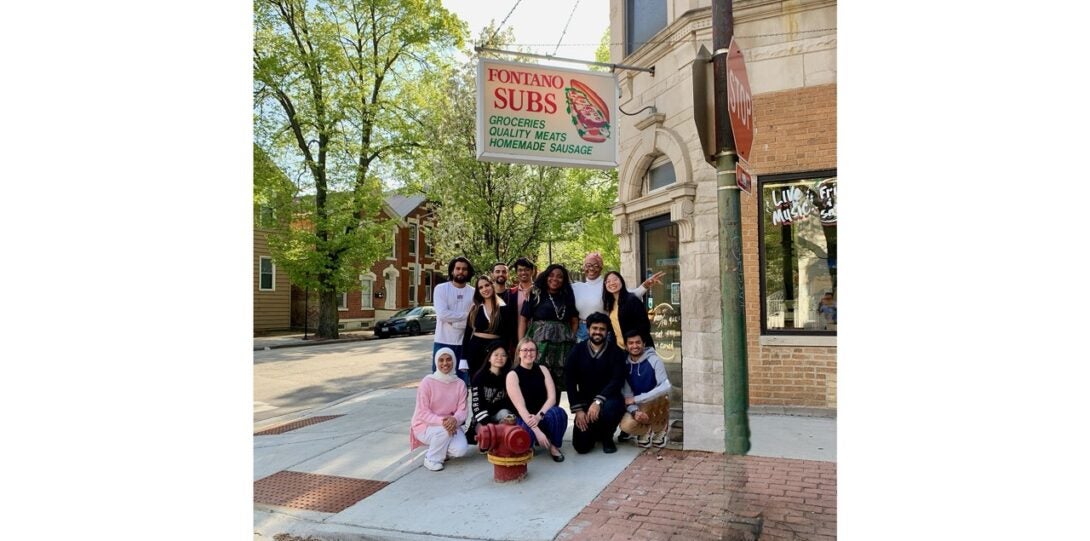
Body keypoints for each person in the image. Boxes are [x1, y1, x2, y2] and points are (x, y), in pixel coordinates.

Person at [564, 313, 627, 454]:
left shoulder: (615, 352)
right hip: (585, 401)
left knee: (611, 407)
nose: (598, 332)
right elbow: (570, 381)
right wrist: (579, 411)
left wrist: (598, 401)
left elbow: (617, 379)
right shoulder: (577, 350)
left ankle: (607, 437)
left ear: (607, 332)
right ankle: (595, 432)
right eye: (595, 328)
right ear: (588, 330)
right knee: (581, 447)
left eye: (602, 329)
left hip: (609, 399)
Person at [572, 252, 664, 342]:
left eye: (596, 265)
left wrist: (646, 285)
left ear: (601, 268)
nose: (591, 268)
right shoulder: (576, 287)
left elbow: (629, 295)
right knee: (582, 356)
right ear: (584, 267)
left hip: (603, 329)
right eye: (588, 265)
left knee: (604, 357)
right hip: (583, 330)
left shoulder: (608, 284)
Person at [505, 338, 568, 462]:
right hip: (524, 417)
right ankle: (532, 442)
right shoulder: (512, 375)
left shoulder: (543, 370)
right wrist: (536, 431)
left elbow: (552, 398)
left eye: (532, 350)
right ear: (519, 353)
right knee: (525, 439)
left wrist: (539, 417)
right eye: (525, 350)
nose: (529, 353)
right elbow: (520, 408)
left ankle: (553, 446)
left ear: (537, 352)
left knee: (559, 413)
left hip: (541, 415)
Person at [518, 263, 579, 390]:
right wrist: (522, 343)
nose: (555, 279)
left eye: (559, 277)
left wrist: (570, 338)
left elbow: (574, 320)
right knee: (537, 376)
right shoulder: (536, 293)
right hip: (539, 343)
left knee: (557, 382)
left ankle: (553, 409)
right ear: (546, 276)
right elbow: (523, 320)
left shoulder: (567, 295)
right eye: (551, 275)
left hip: (562, 346)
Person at [410, 348, 470, 471]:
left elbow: (462, 411)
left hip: (451, 424)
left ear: (454, 361)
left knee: (460, 450)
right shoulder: (427, 382)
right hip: (425, 426)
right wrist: (444, 422)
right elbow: (422, 412)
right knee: (443, 431)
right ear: (436, 362)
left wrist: (454, 419)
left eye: (448, 359)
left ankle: (439, 449)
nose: (445, 363)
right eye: (441, 360)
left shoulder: (460, 384)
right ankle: (431, 459)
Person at [618, 331, 672, 448]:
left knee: (662, 395)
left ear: (644, 344)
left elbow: (665, 385)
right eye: (631, 343)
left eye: (638, 342)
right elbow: (627, 395)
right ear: (626, 346)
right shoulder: (625, 365)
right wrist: (634, 411)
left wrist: (638, 398)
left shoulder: (654, 360)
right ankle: (646, 430)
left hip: (655, 401)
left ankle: (661, 427)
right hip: (638, 405)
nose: (635, 346)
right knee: (625, 425)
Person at [459, 275, 510, 382]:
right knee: (477, 382)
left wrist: (505, 353)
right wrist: (463, 358)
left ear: (492, 285)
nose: (484, 289)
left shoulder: (504, 308)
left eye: (487, 285)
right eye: (480, 287)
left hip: (495, 349)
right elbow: (467, 334)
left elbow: (508, 335)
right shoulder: (475, 309)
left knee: (495, 382)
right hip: (475, 349)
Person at [432, 257, 475, 375]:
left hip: (464, 344)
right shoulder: (441, 289)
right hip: (443, 341)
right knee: (440, 381)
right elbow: (442, 314)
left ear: (469, 272)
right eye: (458, 268)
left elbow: (474, 318)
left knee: (463, 383)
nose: (461, 271)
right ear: (452, 271)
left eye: (464, 269)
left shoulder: (474, 292)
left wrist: (454, 322)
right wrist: (466, 315)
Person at [468, 341, 516, 443]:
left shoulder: (509, 376)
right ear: (489, 358)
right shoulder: (479, 377)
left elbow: (511, 402)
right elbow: (477, 406)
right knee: (486, 435)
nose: (500, 358)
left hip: (500, 414)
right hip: (483, 417)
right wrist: (490, 425)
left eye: (503, 355)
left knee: (506, 414)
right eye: (496, 355)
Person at [602, 271, 656, 350]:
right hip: (621, 349)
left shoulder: (632, 300)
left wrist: (636, 345)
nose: (612, 283)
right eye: (608, 281)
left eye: (615, 279)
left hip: (636, 349)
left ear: (622, 281)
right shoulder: (611, 304)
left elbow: (644, 325)